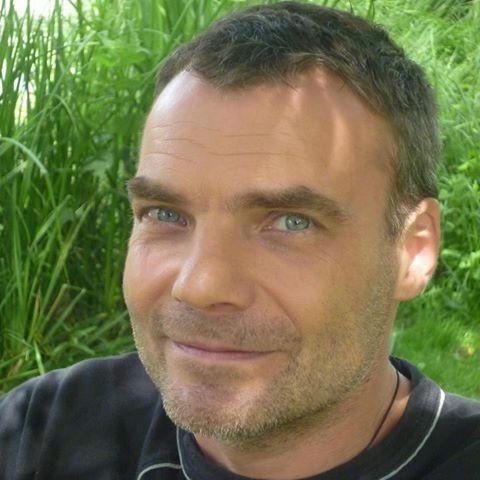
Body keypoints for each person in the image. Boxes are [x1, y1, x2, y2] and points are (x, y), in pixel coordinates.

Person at [1, 1, 479, 479]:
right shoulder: (43, 433)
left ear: (413, 250)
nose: (200, 286)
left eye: (291, 222)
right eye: (165, 214)